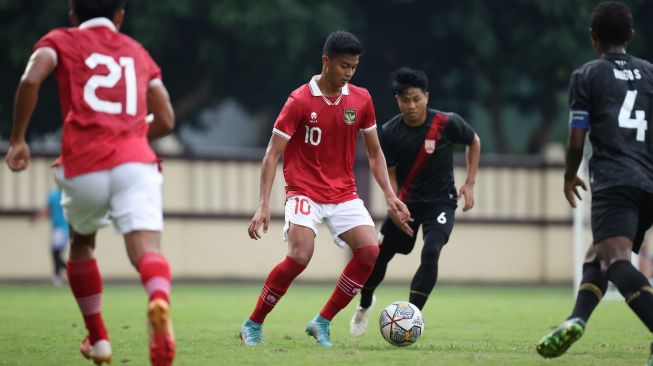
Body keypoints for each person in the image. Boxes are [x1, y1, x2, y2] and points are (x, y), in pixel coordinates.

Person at [5, 1, 176, 365]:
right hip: (135, 163)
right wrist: (128, 131)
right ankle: (158, 297)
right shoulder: (137, 50)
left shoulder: (60, 39)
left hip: (84, 163)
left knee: (82, 242)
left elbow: (30, 79)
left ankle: (99, 340)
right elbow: (166, 118)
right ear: (120, 16)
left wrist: (18, 139)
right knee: (146, 250)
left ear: (72, 16)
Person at [240, 31, 411, 347]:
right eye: (344, 65)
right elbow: (272, 154)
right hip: (304, 191)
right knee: (300, 256)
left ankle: (322, 321)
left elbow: (374, 153)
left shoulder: (361, 99)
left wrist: (390, 195)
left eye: (354, 67)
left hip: (344, 192)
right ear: (326, 61)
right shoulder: (300, 101)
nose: (349, 72)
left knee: (370, 252)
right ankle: (253, 323)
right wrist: (263, 204)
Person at [536, 2, 653, 364]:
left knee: (617, 260)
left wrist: (570, 174)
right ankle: (576, 319)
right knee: (597, 255)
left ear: (594, 38)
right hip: (649, 180)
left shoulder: (586, 75)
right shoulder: (651, 72)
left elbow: (575, 140)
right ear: (631, 36)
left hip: (614, 180)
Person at [349, 67, 481, 336]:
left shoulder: (447, 122)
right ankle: (364, 304)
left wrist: (469, 182)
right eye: (405, 100)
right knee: (378, 255)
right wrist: (395, 204)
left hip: (441, 202)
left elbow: (473, 140)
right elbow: (392, 173)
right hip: (407, 203)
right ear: (397, 100)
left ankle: (409, 317)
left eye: (416, 99)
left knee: (431, 251)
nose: (411, 106)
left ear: (427, 97)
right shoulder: (390, 131)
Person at [31, 187, 70, 286]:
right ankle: (58, 276)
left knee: (55, 254)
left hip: (61, 229)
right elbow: (48, 211)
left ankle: (67, 272)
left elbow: (47, 211)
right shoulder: (60, 195)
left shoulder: (60, 195)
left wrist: (36, 218)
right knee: (56, 254)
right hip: (61, 229)